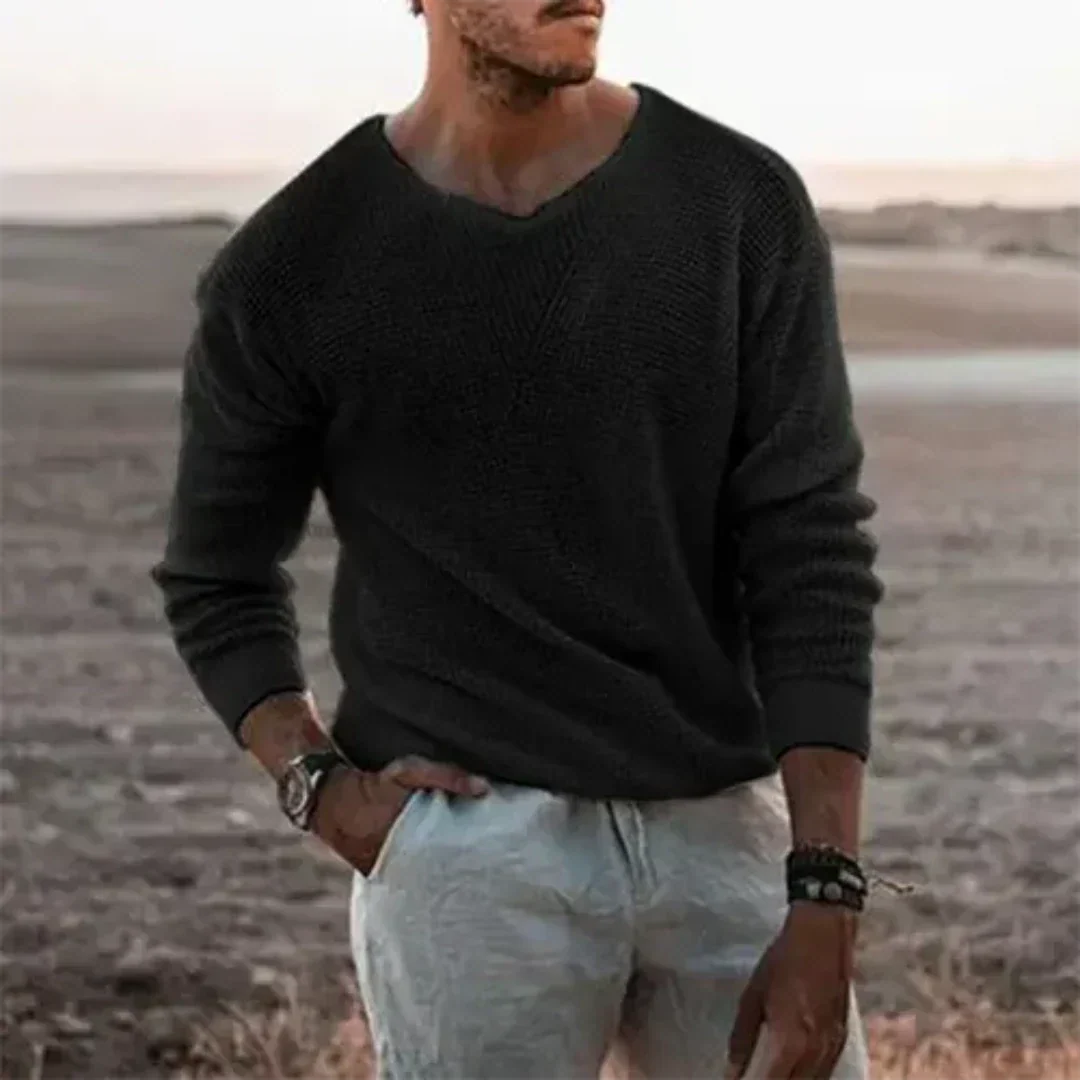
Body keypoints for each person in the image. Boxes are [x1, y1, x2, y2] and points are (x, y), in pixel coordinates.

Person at [152, 0, 885, 1076]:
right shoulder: (292, 264)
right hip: (470, 858)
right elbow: (217, 575)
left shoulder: (737, 202)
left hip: (727, 832)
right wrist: (321, 787)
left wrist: (825, 885)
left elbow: (811, 546)